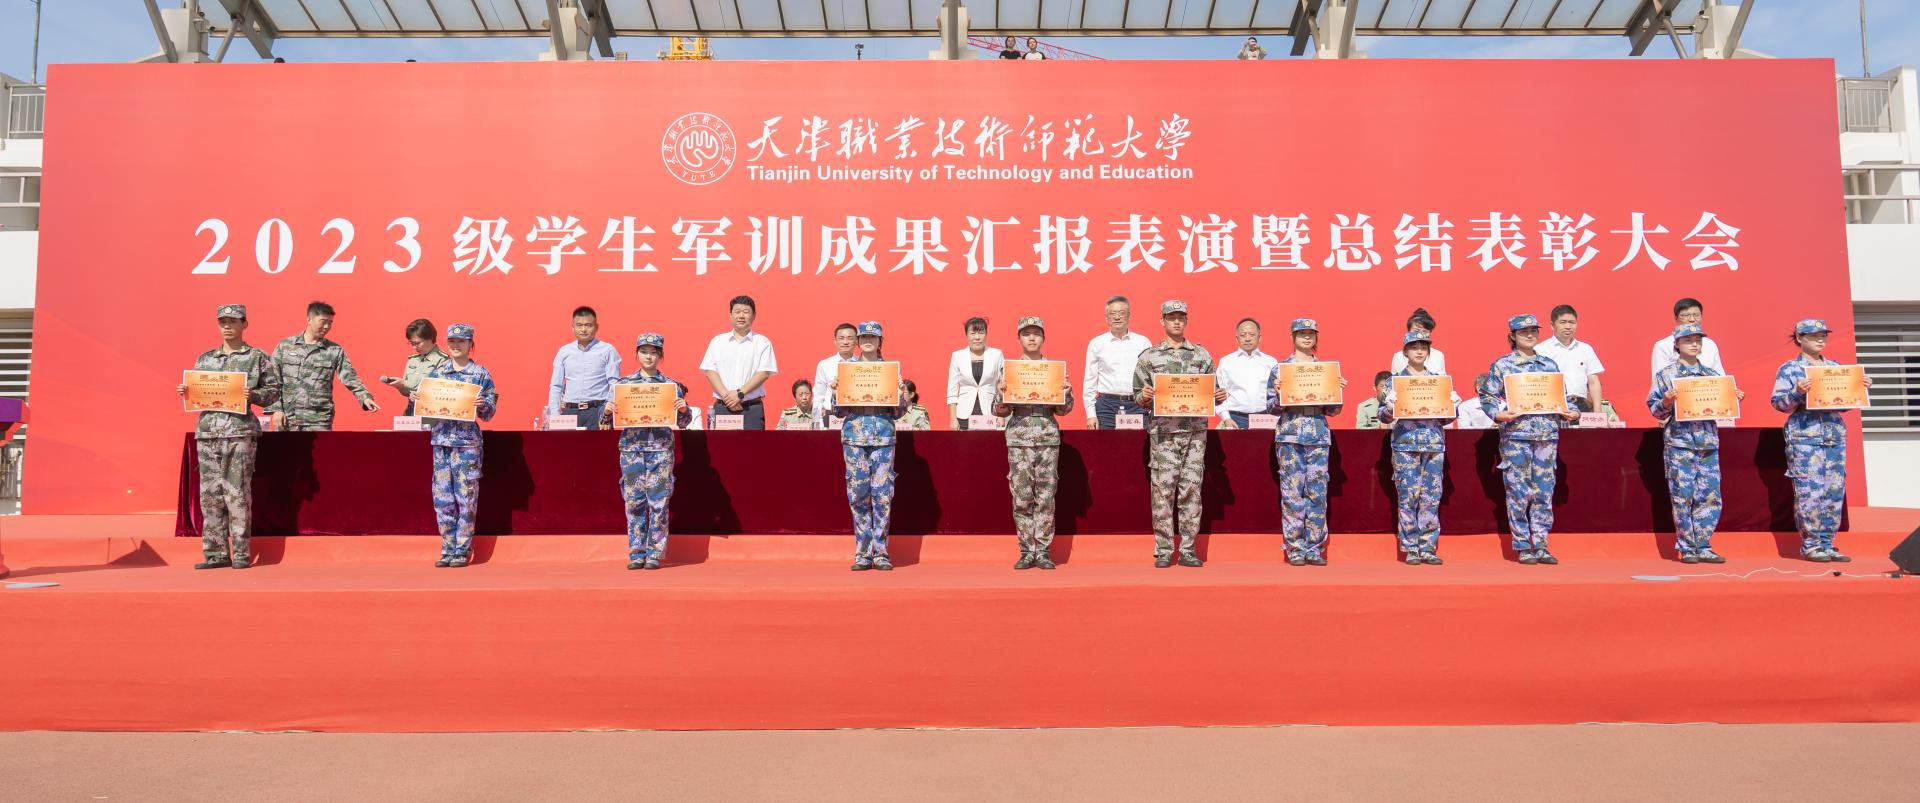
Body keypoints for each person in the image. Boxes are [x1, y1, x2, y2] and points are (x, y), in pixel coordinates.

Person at [177, 304, 282, 570]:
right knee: (210, 495)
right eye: (222, 321)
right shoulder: (205, 359)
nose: (227, 326)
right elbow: (199, 391)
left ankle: (242, 553)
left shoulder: (257, 357)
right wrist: (187, 392)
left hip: (240, 432)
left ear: (244, 324)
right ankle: (216, 554)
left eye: (233, 321)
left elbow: (274, 392)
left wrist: (254, 395)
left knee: (236, 493)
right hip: (208, 432)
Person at [1479, 315, 1581, 565]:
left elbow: (1563, 397)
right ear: (1512, 336)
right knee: (1518, 492)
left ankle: (1542, 544)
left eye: (1533, 330)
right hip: (1516, 437)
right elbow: (1487, 395)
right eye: (1523, 331)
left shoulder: (1549, 365)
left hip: (1546, 436)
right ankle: (1523, 545)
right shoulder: (1502, 365)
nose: (1529, 335)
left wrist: (1573, 412)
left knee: (1543, 492)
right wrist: (1497, 414)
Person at [1134, 300, 1229, 568]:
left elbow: (1212, 390)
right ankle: (1164, 550)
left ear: (1186, 321)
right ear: (1162, 321)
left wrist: (1219, 396)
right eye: (1171, 317)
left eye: (1180, 317)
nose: (1176, 322)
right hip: (1163, 434)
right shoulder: (1149, 357)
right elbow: (1137, 396)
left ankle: (1188, 549)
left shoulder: (1201, 355)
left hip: (1195, 434)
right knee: (1162, 491)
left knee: (1191, 490)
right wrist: (1144, 396)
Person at [1771, 318, 1870, 563]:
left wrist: (1859, 389)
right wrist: (1797, 392)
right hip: (1805, 437)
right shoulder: (1790, 369)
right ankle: (1811, 544)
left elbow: (1844, 405)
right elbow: (1779, 404)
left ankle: (1827, 543)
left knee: (1833, 492)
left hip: (1833, 435)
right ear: (1799, 338)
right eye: (1813, 335)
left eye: (1823, 335)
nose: (1820, 339)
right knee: (1809, 492)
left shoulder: (1835, 368)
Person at [1648, 323, 1743, 564]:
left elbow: (1722, 408)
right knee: (1683, 496)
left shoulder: (1712, 376)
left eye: (1698, 340)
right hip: (1679, 444)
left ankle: (1704, 545)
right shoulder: (1666, 375)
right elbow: (1654, 410)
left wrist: (1732, 398)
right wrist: (1666, 401)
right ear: (1677, 344)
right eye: (1688, 340)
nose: (1694, 344)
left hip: (1707, 443)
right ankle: (1687, 547)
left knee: (1710, 496)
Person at [413, 323, 498, 568]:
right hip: (441, 442)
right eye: (452, 341)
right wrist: (419, 400)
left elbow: (489, 414)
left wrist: (483, 404)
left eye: (461, 341)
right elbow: (427, 414)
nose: (456, 345)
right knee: (442, 499)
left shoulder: (480, 375)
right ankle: (447, 548)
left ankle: (462, 549)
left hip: (467, 445)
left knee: (466, 497)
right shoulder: (437, 374)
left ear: (470, 344)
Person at [994, 316, 1076, 569]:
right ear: (1019, 338)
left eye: (1036, 334)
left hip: (1047, 437)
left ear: (1043, 338)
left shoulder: (1054, 370)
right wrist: (1001, 393)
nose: (1031, 338)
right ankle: (1026, 550)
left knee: (1046, 496)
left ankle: (1043, 551)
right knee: (1021, 496)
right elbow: (999, 411)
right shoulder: (1009, 370)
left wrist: (1065, 392)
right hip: (1019, 438)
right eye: (1026, 334)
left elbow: (1064, 410)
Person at [829, 321, 911, 570]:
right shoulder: (847, 371)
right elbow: (838, 412)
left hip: (883, 438)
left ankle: (881, 553)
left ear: (879, 341)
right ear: (857, 342)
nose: (867, 341)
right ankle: (863, 553)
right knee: (858, 494)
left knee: (882, 495)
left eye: (872, 337)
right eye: (863, 337)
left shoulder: (890, 371)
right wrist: (836, 391)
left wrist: (901, 394)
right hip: (854, 438)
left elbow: (899, 413)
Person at [1266, 318, 1345, 566]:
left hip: (1318, 437)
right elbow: (1271, 408)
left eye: (1311, 333)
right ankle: (1295, 548)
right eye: (1301, 333)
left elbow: (1334, 410)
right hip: (1290, 437)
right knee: (1292, 495)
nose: (1306, 337)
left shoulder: (1325, 369)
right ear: (1292, 337)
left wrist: (1336, 390)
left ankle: (1314, 548)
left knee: (1317, 494)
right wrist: (1279, 394)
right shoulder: (1280, 370)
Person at [1378, 332, 1458, 565]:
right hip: (1405, 445)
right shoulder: (1394, 382)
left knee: (1431, 497)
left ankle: (1428, 547)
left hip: (1433, 444)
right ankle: (1411, 548)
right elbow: (1382, 415)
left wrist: (1453, 407)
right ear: (1405, 352)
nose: (1420, 351)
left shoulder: (1438, 381)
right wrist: (1389, 407)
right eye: (1414, 347)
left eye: (1424, 347)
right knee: (1408, 496)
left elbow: (1445, 418)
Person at [615, 333, 692, 570]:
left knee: (659, 502)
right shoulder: (623, 385)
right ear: (637, 354)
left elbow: (684, 422)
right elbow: (605, 421)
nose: (649, 356)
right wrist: (607, 411)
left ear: (660, 356)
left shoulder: (671, 386)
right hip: (632, 450)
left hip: (660, 450)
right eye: (644, 352)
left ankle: (654, 553)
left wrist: (683, 409)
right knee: (633, 502)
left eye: (654, 352)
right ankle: (637, 552)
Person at [268, 300, 378, 431]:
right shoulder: (285, 346)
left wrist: (364, 397)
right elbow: (272, 380)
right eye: (323, 321)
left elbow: (350, 377)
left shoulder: (334, 350)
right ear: (309, 319)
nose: (326, 326)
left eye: (330, 323)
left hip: (318, 419)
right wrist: (276, 409)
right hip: (288, 418)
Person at [699, 295, 778, 430]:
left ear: (754, 316)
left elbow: (764, 373)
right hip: (723, 407)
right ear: (730, 315)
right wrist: (727, 397)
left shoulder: (763, 342)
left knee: (752, 444)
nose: (741, 316)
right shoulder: (718, 341)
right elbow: (710, 371)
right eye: (737, 312)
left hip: (751, 409)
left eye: (746, 312)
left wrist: (740, 394)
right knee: (720, 444)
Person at [547, 306, 621, 430]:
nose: (583, 329)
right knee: (567, 444)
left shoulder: (608, 350)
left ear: (596, 327)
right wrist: (555, 415)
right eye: (579, 325)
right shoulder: (564, 351)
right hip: (570, 412)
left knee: (599, 444)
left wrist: (606, 414)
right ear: (572, 327)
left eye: (588, 325)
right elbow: (556, 386)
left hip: (597, 411)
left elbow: (614, 383)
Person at [1084, 295, 1153, 429]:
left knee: (1137, 443)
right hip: (1106, 407)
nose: (1117, 317)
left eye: (1121, 313)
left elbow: (1150, 378)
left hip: (1137, 405)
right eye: (1112, 314)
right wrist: (1090, 414)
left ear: (1129, 316)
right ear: (1106, 318)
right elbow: (1090, 381)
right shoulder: (1096, 343)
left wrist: (1150, 406)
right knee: (1106, 442)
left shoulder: (1143, 342)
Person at [1535, 304, 1608, 413]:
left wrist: (1598, 410)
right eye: (1563, 322)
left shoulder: (1585, 348)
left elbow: (1593, 381)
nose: (1568, 326)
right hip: (1554, 407)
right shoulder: (1540, 350)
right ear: (1552, 325)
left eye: (1572, 322)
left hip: (1582, 406)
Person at [1215, 317, 1279, 430]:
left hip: (1264, 418)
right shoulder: (1226, 362)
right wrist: (1226, 418)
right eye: (1243, 335)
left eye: (1252, 334)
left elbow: (1276, 394)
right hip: (1235, 418)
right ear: (1237, 338)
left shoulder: (1271, 362)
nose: (1247, 339)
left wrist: (1276, 418)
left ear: (1259, 337)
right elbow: (1219, 394)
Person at [947, 316, 1005, 430]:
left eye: (981, 333)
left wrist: (1001, 415)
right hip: (964, 415)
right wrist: (953, 419)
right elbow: (952, 390)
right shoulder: (957, 356)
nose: (977, 337)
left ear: (986, 334)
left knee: (989, 441)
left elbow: (1003, 386)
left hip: (990, 413)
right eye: (973, 333)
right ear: (967, 335)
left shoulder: (996, 354)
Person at [379, 319, 444, 417]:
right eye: (411, 343)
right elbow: (408, 392)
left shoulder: (444, 361)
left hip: (432, 418)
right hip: (411, 415)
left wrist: (419, 393)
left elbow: (444, 394)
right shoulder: (412, 360)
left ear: (430, 338)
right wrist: (400, 386)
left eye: (417, 343)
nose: (414, 347)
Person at [1650, 297, 1724, 379]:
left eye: (1696, 315)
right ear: (1676, 318)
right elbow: (1659, 380)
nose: (1692, 319)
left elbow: (1721, 377)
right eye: (1686, 315)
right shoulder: (1663, 345)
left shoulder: (1710, 344)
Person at [813, 323, 859, 428]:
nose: (845, 342)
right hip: (831, 418)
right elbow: (818, 398)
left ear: (856, 341)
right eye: (841, 338)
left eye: (850, 338)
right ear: (835, 341)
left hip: (856, 418)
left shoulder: (863, 364)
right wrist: (816, 424)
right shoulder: (824, 364)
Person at [1390, 308, 1448, 377]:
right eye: (1416, 331)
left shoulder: (1438, 355)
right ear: (1409, 331)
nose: (1420, 334)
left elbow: (1442, 380)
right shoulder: (1398, 356)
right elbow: (1396, 381)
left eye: (1425, 331)